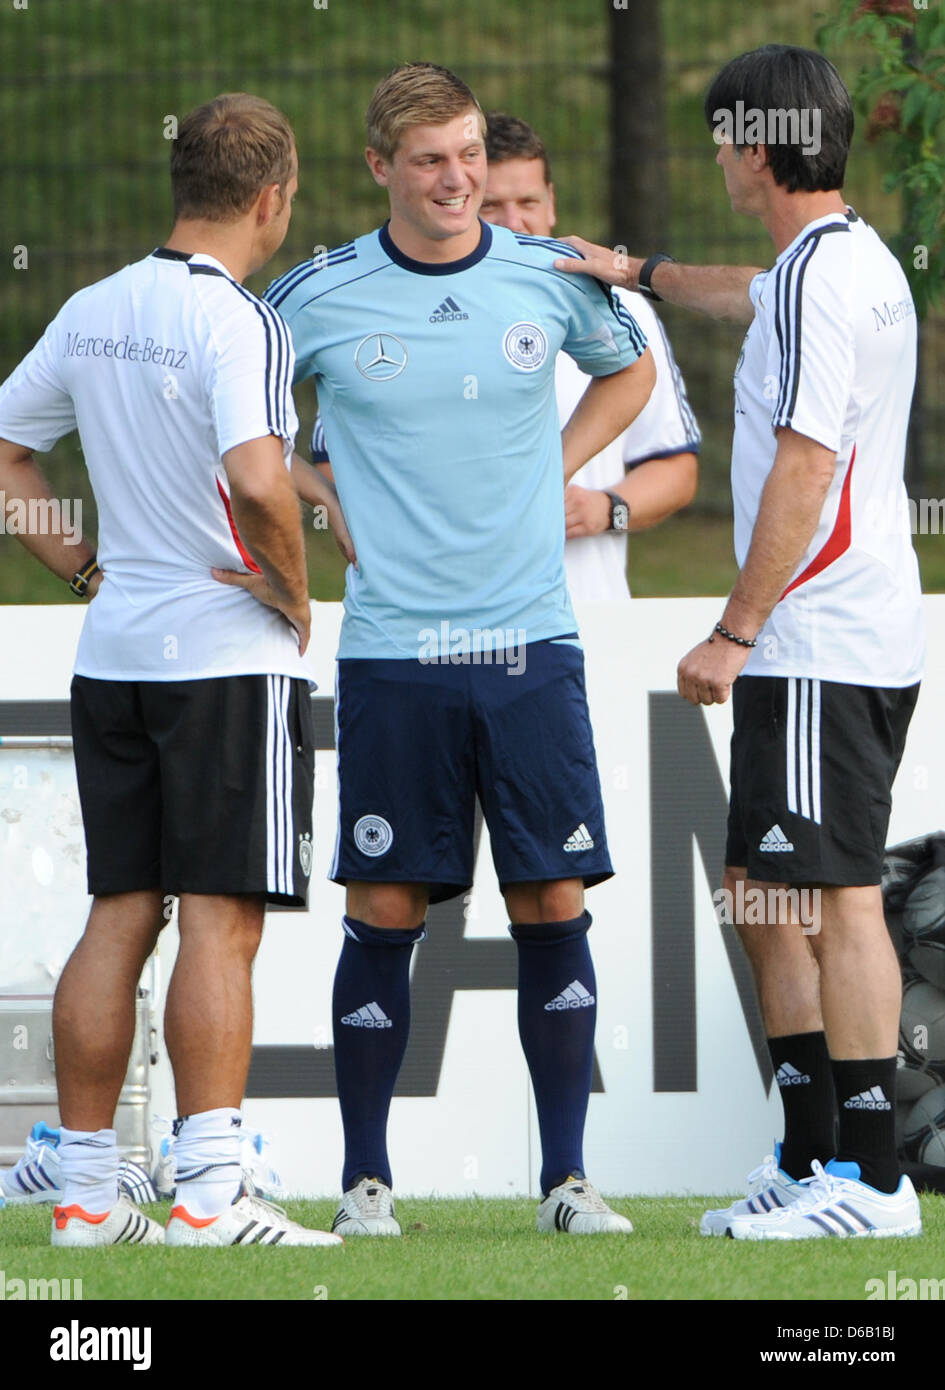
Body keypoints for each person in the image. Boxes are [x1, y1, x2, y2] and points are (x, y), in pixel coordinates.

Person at [262, 62, 655, 1236]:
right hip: (393, 651)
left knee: (552, 895)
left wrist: (557, 469)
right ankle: (366, 1185)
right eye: (430, 159)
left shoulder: (546, 276)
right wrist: (315, 487)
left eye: (472, 153)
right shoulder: (315, 294)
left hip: (531, 641)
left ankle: (568, 1182)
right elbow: (242, 424)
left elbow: (630, 368)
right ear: (380, 167)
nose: (459, 179)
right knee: (387, 906)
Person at [556, 44, 924, 1239]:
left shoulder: (823, 281)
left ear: (756, 148)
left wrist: (736, 628)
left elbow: (809, 471)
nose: (714, 156)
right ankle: (812, 1156)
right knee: (765, 892)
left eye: (721, 138)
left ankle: (870, 1183)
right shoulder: (827, 259)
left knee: (839, 898)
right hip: (816, 642)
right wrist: (636, 271)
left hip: (814, 638)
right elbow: (740, 292)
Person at [0, 93, 343, 1248]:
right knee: (222, 919)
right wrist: (296, 594)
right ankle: (208, 1191)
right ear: (272, 196)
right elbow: (258, 479)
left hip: (117, 653)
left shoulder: (94, 305)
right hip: (222, 660)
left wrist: (78, 562)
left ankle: (89, 1192)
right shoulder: (240, 320)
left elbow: (5, 445)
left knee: (119, 911)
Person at [478, 113, 700, 599]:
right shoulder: (416, 312)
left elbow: (677, 470)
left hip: (588, 624)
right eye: (490, 205)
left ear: (552, 203)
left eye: (527, 202)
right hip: (448, 621)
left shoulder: (624, 309)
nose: (514, 223)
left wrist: (606, 509)